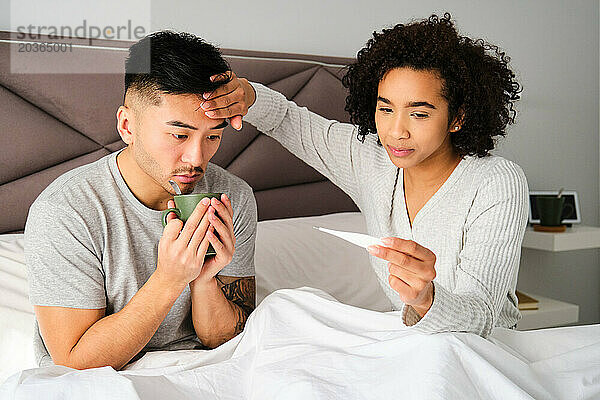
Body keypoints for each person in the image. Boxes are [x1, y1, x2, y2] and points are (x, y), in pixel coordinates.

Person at [200, 13, 528, 337]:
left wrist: (426, 300)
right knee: (287, 312)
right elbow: (287, 119)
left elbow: (483, 314)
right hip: (408, 341)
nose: (396, 131)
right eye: (385, 109)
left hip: (488, 347)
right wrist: (244, 95)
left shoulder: (496, 182)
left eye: (419, 113)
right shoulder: (369, 160)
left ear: (457, 117)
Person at [24, 31, 257, 370]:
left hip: (208, 371)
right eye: (179, 135)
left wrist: (204, 279)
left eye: (213, 136)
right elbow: (75, 362)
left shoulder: (231, 196)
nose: (197, 158)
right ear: (127, 125)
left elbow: (224, 341)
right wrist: (171, 278)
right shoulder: (67, 210)